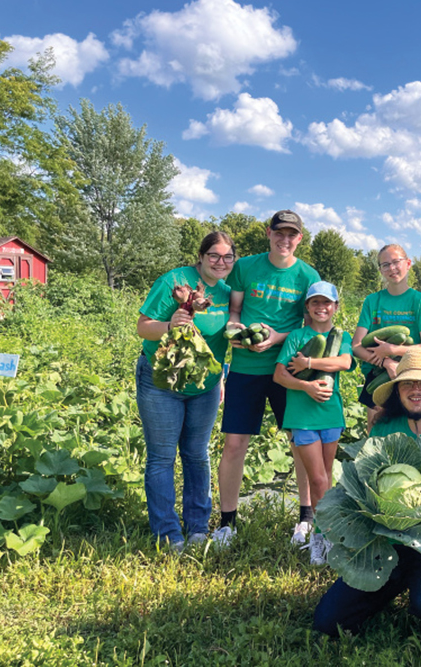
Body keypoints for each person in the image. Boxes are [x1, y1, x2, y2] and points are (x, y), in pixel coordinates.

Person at [313, 349, 421, 636]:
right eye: (407, 383)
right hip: (386, 540)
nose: (416, 390)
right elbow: (361, 483)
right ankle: (400, 577)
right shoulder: (384, 432)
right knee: (328, 621)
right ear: (396, 390)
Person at [215, 210, 320, 548]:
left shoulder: (307, 275)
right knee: (234, 445)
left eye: (292, 234)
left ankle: (305, 518)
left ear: (300, 239)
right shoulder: (245, 267)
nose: (284, 240)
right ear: (268, 233)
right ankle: (227, 523)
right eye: (279, 232)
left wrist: (277, 339)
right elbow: (234, 311)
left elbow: (311, 326)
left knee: (299, 442)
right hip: (245, 368)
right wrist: (234, 329)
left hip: (287, 370)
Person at [135, 231, 234, 552]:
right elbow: (142, 326)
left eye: (227, 257)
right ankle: (168, 534)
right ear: (202, 256)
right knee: (162, 457)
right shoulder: (174, 281)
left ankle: (197, 528)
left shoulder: (229, 294)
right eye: (214, 256)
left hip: (204, 384)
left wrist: (221, 377)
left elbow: (221, 342)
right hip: (162, 380)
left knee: (196, 454)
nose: (220, 262)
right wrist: (169, 325)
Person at [273, 281, 354, 565]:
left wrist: (308, 364)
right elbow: (280, 376)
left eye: (327, 303)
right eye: (316, 303)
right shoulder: (297, 336)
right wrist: (306, 386)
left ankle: (324, 534)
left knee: (327, 477)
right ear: (307, 307)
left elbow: (344, 362)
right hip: (302, 417)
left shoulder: (340, 337)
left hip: (331, 414)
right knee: (318, 479)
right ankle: (323, 538)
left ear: (335, 307)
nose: (322, 307)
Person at [352, 244, 421, 428]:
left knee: (411, 434)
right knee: (375, 433)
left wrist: (393, 350)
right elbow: (357, 346)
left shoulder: (420, 301)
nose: (392, 268)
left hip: (410, 376)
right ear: (380, 270)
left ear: (408, 263)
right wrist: (387, 362)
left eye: (396, 262)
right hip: (377, 375)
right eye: (385, 265)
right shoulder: (372, 301)